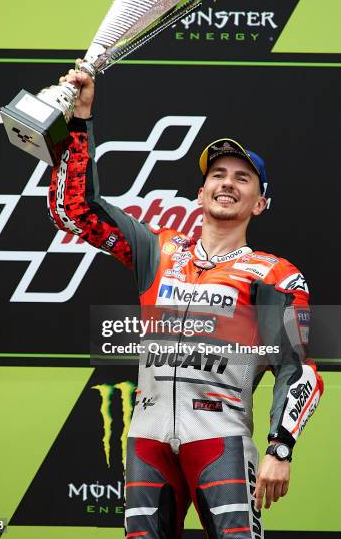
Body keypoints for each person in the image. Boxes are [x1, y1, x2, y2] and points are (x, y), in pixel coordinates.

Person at [48, 65, 323, 539]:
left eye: (243, 178)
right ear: (199, 193)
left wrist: (281, 448)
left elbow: (297, 368)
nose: (227, 183)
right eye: (218, 174)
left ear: (260, 203)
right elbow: (77, 211)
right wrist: (80, 119)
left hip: (220, 438)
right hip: (147, 436)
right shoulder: (157, 248)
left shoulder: (274, 273)